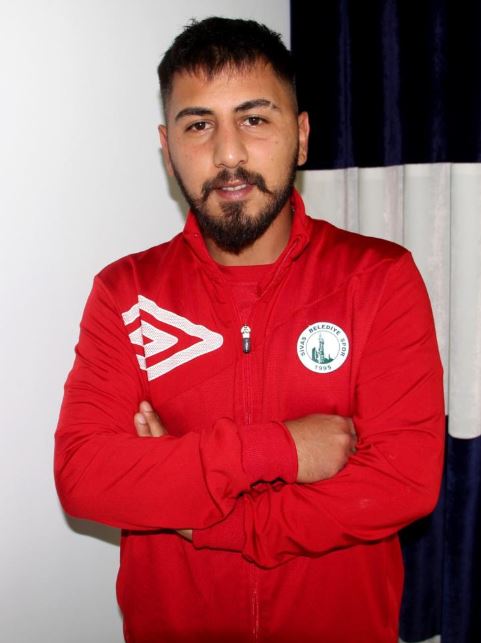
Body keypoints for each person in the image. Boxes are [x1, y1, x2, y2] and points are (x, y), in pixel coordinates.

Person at [54, 17, 445, 643]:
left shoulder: (379, 278)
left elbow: (402, 483)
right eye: (199, 125)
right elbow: (84, 475)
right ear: (167, 147)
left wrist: (203, 514)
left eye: (255, 119)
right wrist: (282, 449)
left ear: (302, 136)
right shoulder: (125, 292)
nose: (228, 153)